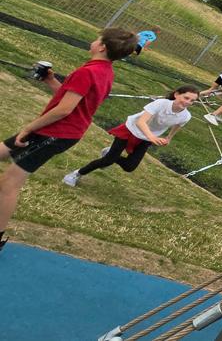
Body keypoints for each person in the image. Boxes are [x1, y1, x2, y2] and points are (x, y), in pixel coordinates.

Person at [0, 28, 138, 253]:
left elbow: (64, 110)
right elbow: (74, 100)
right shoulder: (104, 71)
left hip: (54, 133)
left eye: (97, 39)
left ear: (102, 47)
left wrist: (28, 128)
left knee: (8, 184)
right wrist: (51, 81)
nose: (93, 41)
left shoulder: (88, 72)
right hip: (58, 130)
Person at [62, 85, 198, 187]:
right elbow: (141, 121)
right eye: (186, 98)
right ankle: (76, 174)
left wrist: (169, 138)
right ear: (176, 95)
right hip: (131, 129)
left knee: (129, 167)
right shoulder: (160, 104)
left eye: (192, 101)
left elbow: (178, 126)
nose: (187, 102)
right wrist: (152, 137)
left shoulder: (186, 116)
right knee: (108, 161)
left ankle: (110, 153)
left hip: (146, 138)